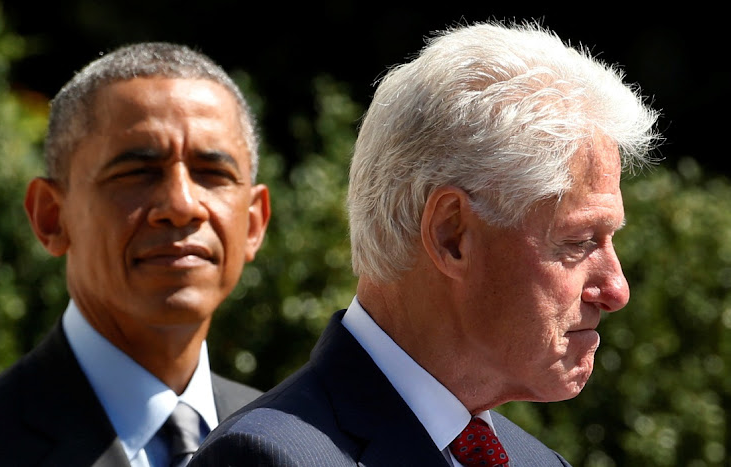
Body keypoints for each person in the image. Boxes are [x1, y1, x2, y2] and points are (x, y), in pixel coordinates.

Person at [189, 20, 662, 467]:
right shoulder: (269, 457)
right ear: (451, 234)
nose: (616, 289)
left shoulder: (537, 461)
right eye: (579, 241)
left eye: (609, 239)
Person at [0, 42, 271, 466]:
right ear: (51, 217)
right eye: (137, 173)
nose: (181, 205)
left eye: (213, 173)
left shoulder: (297, 441)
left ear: (255, 223)